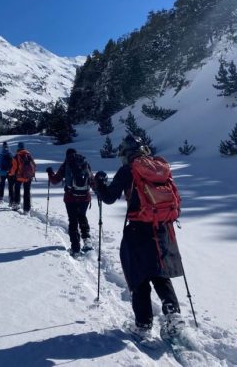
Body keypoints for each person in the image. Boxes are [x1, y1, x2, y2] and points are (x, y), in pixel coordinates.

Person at [93, 134, 185, 340]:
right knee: (159, 271)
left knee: (139, 275)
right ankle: (173, 313)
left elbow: (108, 197)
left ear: (125, 153)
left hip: (139, 229)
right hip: (162, 227)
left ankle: (143, 324)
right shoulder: (159, 167)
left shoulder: (129, 170)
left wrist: (99, 183)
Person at [46, 148, 93, 257]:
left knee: (73, 221)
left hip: (70, 197)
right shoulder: (85, 163)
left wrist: (50, 172)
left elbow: (54, 180)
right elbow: (91, 179)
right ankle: (87, 242)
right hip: (85, 197)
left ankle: (75, 248)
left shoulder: (66, 164)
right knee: (82, 216)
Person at [9, 141, 36, 214]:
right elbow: (34, 165)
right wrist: (32, 174)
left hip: (19, 177)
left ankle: (16, 204)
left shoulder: (16, 156)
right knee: (27, 192)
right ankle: (26, 209)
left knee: (17, 189)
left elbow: (14, 169)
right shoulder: (29, 155)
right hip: (28, 177)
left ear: (18, 148)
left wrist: (10, 174)